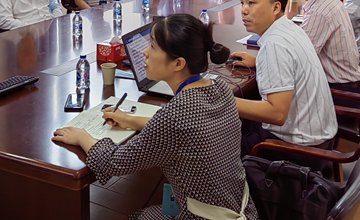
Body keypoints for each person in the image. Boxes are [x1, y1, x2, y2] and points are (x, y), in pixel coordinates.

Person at [52, 14, 257, 220]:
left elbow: (113, 163)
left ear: (178, 63)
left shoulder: (177, 115)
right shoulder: (220, 87)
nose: (145, 52)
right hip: (242, 208)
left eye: (153, 47)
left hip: (203, 217)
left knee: (138, 216)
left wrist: (82, 137)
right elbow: (186, 129)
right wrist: (129, 120)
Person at [232, 0, 337, 155]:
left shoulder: (274, 45)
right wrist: (259, 62)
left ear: (276, 8)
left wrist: (223, 99)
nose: (243, 10)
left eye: (251, 3)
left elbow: (277, 114)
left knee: (216, 141)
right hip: (318, 135)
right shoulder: (289, 28)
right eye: (242, 3)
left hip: (299, 149)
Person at [289, 0, 360, 106]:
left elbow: (299, 58)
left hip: (339, 93)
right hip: (345, 86)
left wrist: (257, 61)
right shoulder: (326, 0)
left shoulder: (320, 10)